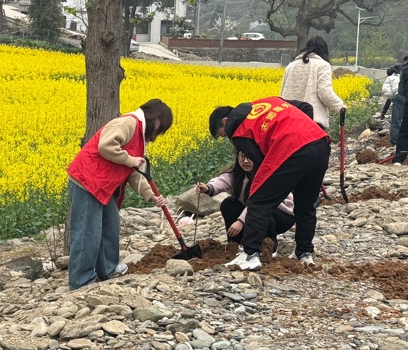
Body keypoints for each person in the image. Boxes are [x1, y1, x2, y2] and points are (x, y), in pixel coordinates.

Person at [209, 96, 330, 271]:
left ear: (226, 121)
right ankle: (304, 253)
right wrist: (302, 131)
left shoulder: (239, 129)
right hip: (320, 143)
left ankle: (250, 254)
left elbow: (258, 163)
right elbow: (305, 106)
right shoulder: (268, 102)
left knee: (259, 199)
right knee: (305, 204)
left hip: (291, 149)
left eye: (224, 134)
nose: (228, 138)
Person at [67, 99, 173, 290]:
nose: (159, 132)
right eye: (161, 126)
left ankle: (107, 270)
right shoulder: (128, 123)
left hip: (105, 185)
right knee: (87, 233)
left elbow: (134, 172)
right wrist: (130, 159)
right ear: (154, 118)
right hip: (87, 180)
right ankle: (80, 281)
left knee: (110, 227)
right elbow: (106, 146)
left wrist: (150, 195)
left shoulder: (141, 137)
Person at [196, 150, 295, 256]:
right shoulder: (238, 173)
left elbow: (260, 203)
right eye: (242, 157)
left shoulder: (268, 174)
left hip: (282, 214)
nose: (245, 161)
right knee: (228, 204)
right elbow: (223, 180)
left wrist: (241, 221)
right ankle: (235, 246)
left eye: (250, 157)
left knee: (264, 212)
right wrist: (207, 188)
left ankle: (269, 246)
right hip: (254, 209)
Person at [280, 36, 346, 129]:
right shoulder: (323, 65)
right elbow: (324, 92)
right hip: (311, 121)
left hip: (289, 120)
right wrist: (340, 106)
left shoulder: (291, 66)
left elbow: (282, 92)